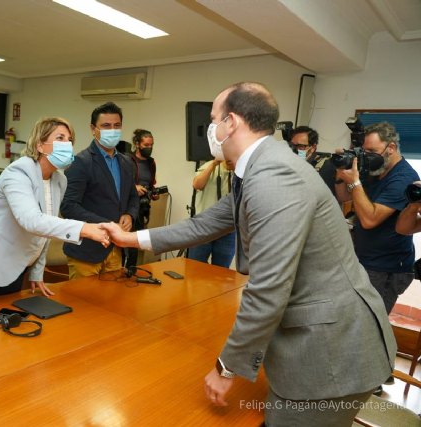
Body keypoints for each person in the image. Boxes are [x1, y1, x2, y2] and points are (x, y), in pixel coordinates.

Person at [102, 82, 395, 426]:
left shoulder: (274, 177)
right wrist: (131, 239)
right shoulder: (261, 167)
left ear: (232, 123)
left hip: (330, 352)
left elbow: (269, 286)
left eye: (213, 120)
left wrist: (227, 367)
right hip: (323, 338)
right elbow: (202, 225)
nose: (210, 129)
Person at [0, 117, 110, 304]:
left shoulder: (59, 180)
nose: (67, 144)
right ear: (40, 145)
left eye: (69, 140)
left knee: (3, 325)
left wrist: (37, 270)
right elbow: (32, 221)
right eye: (60, 138)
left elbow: (44, 233)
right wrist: (84, 228)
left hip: (15, 266)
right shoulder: (18, 173)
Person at [335, 122, 419, 314]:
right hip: (363, 259)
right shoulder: (376, 170)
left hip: (386, 267)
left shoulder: (403, 178)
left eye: (372, 151)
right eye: (365, 151)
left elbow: (370, 220)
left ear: (391, 148)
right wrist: (341, 173)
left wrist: (355, 182)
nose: (368, 157)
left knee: (370, 325)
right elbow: (344, 196)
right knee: (351, 318)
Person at [60, 102, 139, 279]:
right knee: (84, 304)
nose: (112, 130)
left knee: (111, 302)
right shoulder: (80, 162)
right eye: (106, 126)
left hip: (116, 249)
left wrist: (130, 214)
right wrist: (107, 224)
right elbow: (68, 206)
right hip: (86, 250)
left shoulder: (127, 162)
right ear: (93, 129)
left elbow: (133, 197)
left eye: (116, 126)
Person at [186, 159, 235, 268]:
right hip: (204, 227)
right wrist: (214, 164)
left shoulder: (240, 170)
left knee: (221, 273)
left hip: (228, 229)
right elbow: (197, 185)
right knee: (195, 268)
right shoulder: (210, 165)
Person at [125, 128, 157, 268]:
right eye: (146, 145)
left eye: (151, 145)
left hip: (142, 207)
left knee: (135, 241)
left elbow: (151, 183)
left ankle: (131, 270)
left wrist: (153, 192)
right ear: (137, 144)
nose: (149, 148)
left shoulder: (151, 162)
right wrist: (133, 188)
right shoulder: (127, 160)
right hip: (127, 207)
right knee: (124, 241)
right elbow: (119, 183)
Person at [290, 125, 336, 194]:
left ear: (313, 147)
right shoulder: (290, 162)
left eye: (300, 146)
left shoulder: (325, 166)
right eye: (292, 145)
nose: (294, 150)